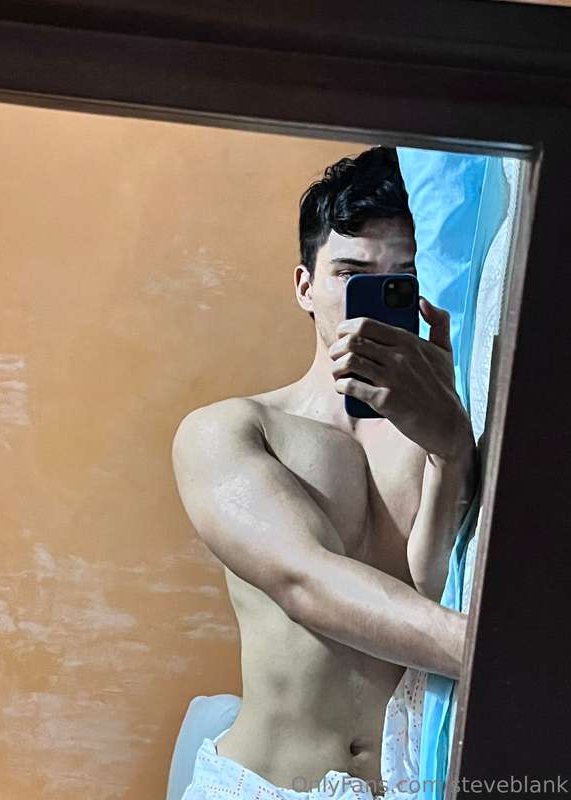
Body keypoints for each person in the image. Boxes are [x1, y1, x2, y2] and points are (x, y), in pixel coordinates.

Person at [171, 146, 480, 799]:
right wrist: (503, 657)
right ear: (305, 287)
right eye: (351, 273)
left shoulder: (449, 432)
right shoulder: (229, 430)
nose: (374, 300)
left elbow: (435, 586)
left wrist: (450, 447)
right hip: (260, 786)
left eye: (402, 278)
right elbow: (304, 581)